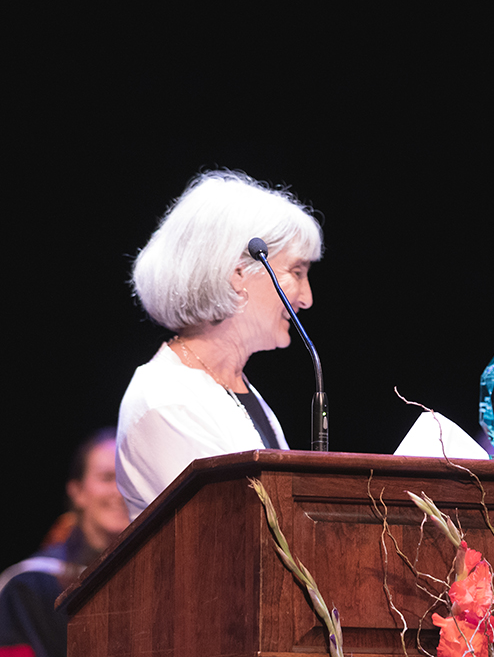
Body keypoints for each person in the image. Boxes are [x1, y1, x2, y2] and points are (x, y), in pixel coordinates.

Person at [116, 170, 322, 520]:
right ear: (238, 271)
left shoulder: (233, 386)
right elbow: (238, 533)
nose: (306, 298)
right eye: (297, 272)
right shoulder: (166, 401)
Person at [0, 428, 130, 657]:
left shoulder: (154, 576)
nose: (119, 491)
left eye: (128, 479)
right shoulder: (30, 584)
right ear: (77, 491)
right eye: (107, 478)